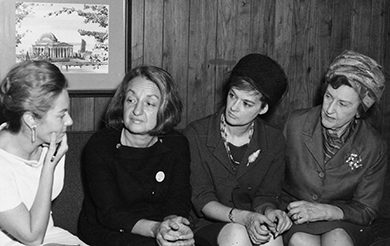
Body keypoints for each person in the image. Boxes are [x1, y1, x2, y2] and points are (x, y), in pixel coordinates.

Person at [77, 65, 195, 246]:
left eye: (149, 103)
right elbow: (110, 213)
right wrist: (156, 229)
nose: (137, 111)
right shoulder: (100, 145)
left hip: (157, 227)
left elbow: (178, 200)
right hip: (108, 231)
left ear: (165, 109)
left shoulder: (177, 144)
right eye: (131, 100)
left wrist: (172, 226)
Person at [183, 53, 292, 246]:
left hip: (251, 218)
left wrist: (270, 212)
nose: (233, 107)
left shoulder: (273, 140)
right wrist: (245, 218)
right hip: (206, 224)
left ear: (263, 108)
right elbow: (202, 199)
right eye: (232, 95)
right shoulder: (196, 134)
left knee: (271, 237)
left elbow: (266, 196)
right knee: (237, 234)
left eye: (246, 103)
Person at [281, 50, 388, 246]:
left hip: (344, 220)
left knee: (337, 240)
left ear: (359, 111)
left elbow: (367, 209)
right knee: (301, 241)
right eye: (329, 97)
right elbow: (270, 181)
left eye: (343, 104)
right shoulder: (295, 123)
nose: (329, 110)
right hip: (297, 215)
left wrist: (326, 211)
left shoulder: (374, 146)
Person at [0, 60, 87, 245]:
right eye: (61, 115)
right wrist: (49, 166)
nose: (69, 121)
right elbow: (32, 237)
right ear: (31, 120)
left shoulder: (50, 141)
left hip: (48, 235)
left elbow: (43, 232)